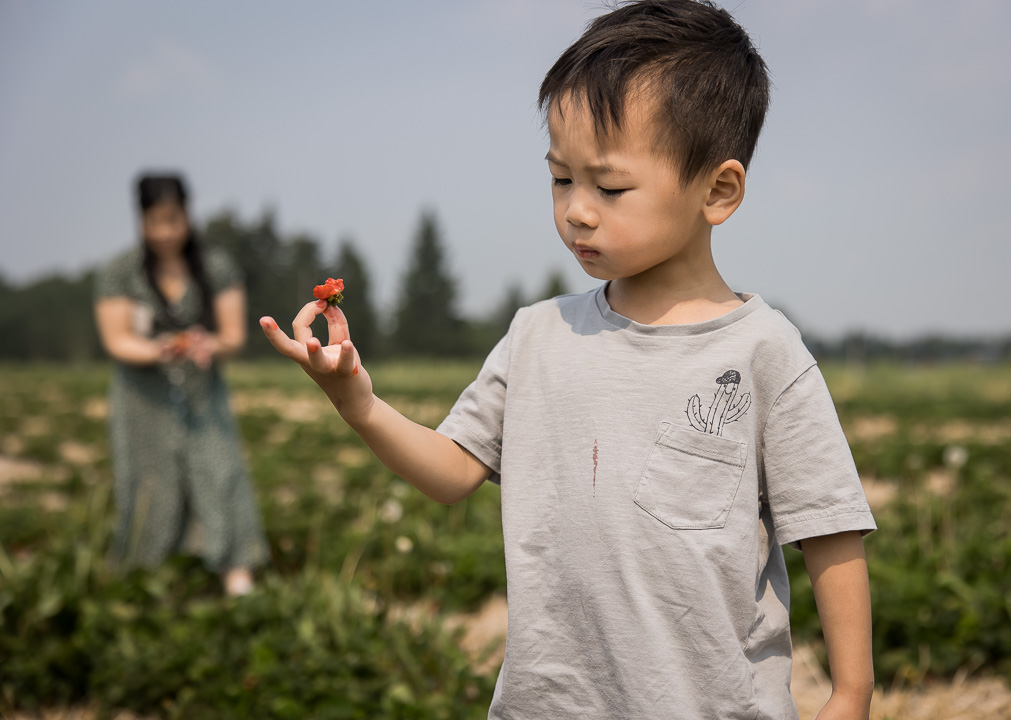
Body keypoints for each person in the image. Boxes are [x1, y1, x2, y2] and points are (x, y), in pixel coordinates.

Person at [262, 1, 876, 717]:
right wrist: (357, 402)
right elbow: (452, 471)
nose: (578, 210)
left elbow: (828, 528)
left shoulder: (763, 352)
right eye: (561, 179)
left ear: (718, 190)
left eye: (609, 187)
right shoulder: (537, 336)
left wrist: (852, 693)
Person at [94, 173, 268, 597]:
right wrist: (159, 350)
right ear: (141, 220)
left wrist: (209, 343)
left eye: (173, 219)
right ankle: (147, 574)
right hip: (143, 397)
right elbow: (117, 340)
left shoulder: (217, 267)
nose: (165, 232)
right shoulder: (120, 272)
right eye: (154, 221)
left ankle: (235, 565)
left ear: (188, 214)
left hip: (201, 393)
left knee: (218, 467)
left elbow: (233, 337)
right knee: (149, 476)